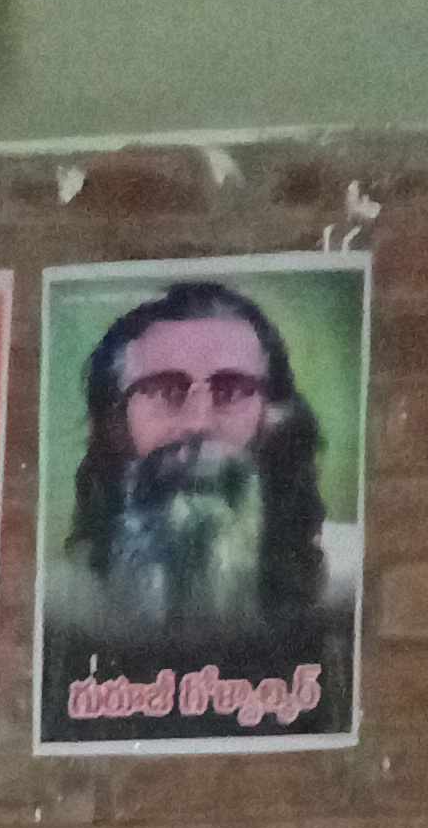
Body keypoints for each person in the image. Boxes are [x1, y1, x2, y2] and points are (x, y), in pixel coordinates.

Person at [41, 275, 358, 721]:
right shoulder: (57, 606)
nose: (198, 423)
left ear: (277, 425)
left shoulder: (349, 587)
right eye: (164, 391)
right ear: (113, 427)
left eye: (232, 391)